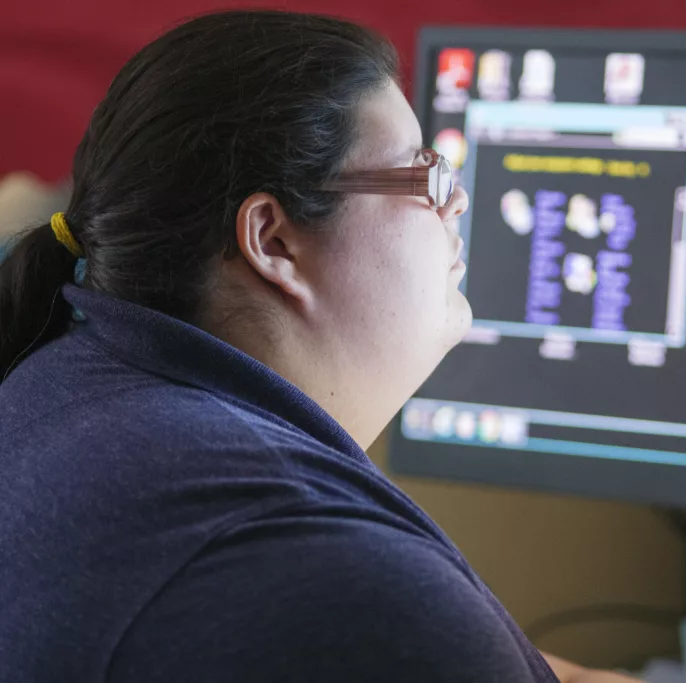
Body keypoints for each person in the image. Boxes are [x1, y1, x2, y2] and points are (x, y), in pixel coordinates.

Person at [0, 11, 636, 683]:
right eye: (420, 175)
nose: (456, 204)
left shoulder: (80, 382)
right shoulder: (324, 569)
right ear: (273, 243)